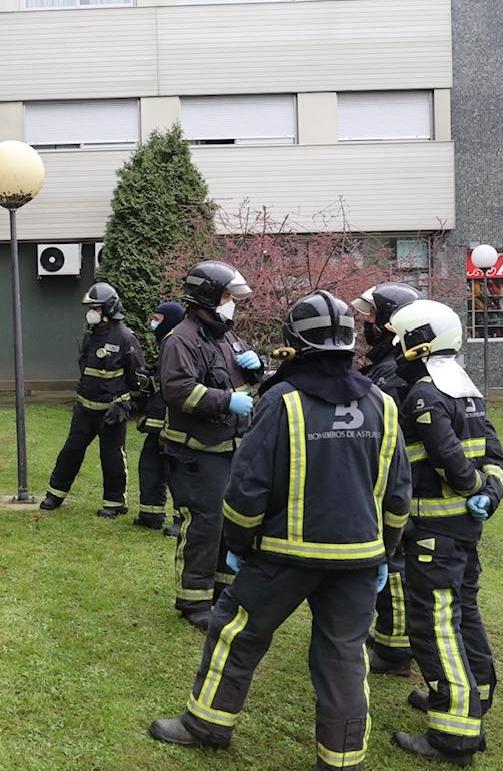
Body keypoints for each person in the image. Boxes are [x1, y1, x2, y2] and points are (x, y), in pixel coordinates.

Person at [150, 291, 411, 771]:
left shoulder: (281, 402)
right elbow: (398, 495)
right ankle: (342, 759)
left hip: (282, 556)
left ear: (293, 343)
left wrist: (239, 545)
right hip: (359, 561)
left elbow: (247, 488)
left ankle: (207, 724)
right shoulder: (382, 403)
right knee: (344, 660)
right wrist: (386, 555)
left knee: (238, 633)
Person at [388, 300, 503, 765]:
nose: (398, 348)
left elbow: (452, 463)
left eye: (402, 339)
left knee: (434, 623)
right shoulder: (468, 391)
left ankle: (454, 729)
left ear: (420, 341)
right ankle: (475, 693)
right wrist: (489, 495)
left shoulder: (423, 394)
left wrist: (473, 486)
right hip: (463, 531)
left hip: (433, 534)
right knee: (465, 614)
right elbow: (498, 459)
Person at [160, 260, 263, 630]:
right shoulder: (181, 340)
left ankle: (221, 593)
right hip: (196, 452)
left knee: (226, 524)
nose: (230, 303)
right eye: (225, 296)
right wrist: (225, 401)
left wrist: (257, 367)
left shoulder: (226, 335)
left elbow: (245, 377)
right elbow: (177, 390)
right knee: (204, 525)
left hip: (229, 449)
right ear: (206, 297)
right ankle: (193, 601)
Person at [351, 282, 421, 677]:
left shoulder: (394, 372)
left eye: (373, 316)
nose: (366, 323)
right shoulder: (389, 363)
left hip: (398, 481)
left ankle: (395, 650)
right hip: (393, 478)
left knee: (393, 558)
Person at [40, 282, 146, 516]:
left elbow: (138, 378)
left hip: (111, 411)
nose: (91, 313)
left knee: (112, 457)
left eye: (95, 308)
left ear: (108, 308)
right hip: (84, 410)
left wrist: (122, 403)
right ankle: (55, 495)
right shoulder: (91, 336)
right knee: (71, 451)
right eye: (90, 308)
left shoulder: (126, 338)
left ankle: (114, 504)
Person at [134, 301, 185, 533]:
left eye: (157, 318)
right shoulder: (166, 344)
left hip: (173, 427)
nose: (153, 323)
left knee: (176, 473)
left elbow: (175, 390)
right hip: (158, 423)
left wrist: (167, 426)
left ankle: (180, 520)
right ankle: (150, 515)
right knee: (149, 467)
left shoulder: (176, 345)